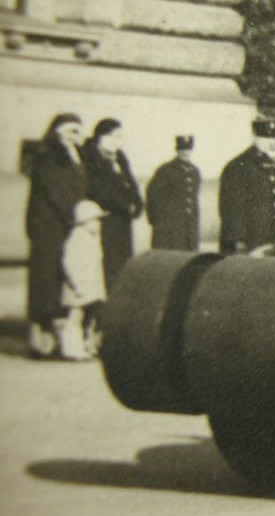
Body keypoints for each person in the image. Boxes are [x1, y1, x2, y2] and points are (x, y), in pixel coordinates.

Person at [25, 113, 88, 358]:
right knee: (46, 281)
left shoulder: (72, 156)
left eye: (79, 132)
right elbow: (58, 192)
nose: (77, 137)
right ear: (60, 132)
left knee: (59, 280)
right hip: (48, 228)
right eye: (73, 131)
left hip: (63, 226)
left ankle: (55, 339)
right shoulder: (48, 158)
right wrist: (76, 214)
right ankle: (40, 339)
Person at [83, 118, 144, 290]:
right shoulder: (89, 156)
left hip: (122, 222)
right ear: (101, 136)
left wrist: (137, 204)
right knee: (104, 266)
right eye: (113, 136)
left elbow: (131, 183)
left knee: (122, 266)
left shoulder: (120, 157)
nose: (117, 141)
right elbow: (97, 189)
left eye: (120, 137)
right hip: (103, 220)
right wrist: (125, 205)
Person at [218, 118, 275, 254]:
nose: (270, 142)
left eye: (272, 137)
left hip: (271, 239)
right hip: (250, 240)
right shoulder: (239, 165)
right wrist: (238, 240)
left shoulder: (273, 165)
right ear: (255, 137)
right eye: (264, 137)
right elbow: (231, 206)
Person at [56, 200, 108, 360]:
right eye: (95, 220)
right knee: (75, 317)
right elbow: (69, 263)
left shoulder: (91, 238)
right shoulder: (77, 239)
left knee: (87, 317)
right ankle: (71, 347)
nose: (98, 224)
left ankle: (85, 344)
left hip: (90, 286)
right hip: (79, 287)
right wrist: (78, 285)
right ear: (84, 222)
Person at [146, 135, 201, 250]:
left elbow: (193, 201)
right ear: (177, 150)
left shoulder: (195, 172)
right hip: (170, 230)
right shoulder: (165, 170)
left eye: (188, 149)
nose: (185, 152)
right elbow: (152, 195)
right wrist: (157, 222)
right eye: (182, 149)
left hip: (189, 230)